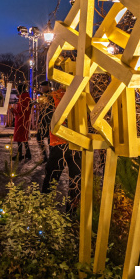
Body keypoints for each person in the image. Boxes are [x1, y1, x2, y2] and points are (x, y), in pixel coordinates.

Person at [40, 84, 81, 213]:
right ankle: (71, 212)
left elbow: (46, 119)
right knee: (75, 181)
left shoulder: (55, 97)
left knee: (52, 178)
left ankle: (45, 209)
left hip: (59, 143)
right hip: (76, 143)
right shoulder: (80, 95)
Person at [11, 83, 33, 161]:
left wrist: (13, 110)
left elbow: (21, 110)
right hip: (23, 119)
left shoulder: (23, 98)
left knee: (20, 138)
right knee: (23, 138)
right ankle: (27, 153)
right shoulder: (25, 97)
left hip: (21, 120)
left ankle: (20, 155)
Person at [35, 81, 54, 163]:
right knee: (39, 137)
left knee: (50, 140)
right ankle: (46, 156)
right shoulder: (44, 96)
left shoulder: (51, 96)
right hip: (43, 120)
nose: (41, 89)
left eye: (42, 87)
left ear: (47, 86)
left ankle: (50, 157)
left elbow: (50, 108)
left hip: (49, 121)